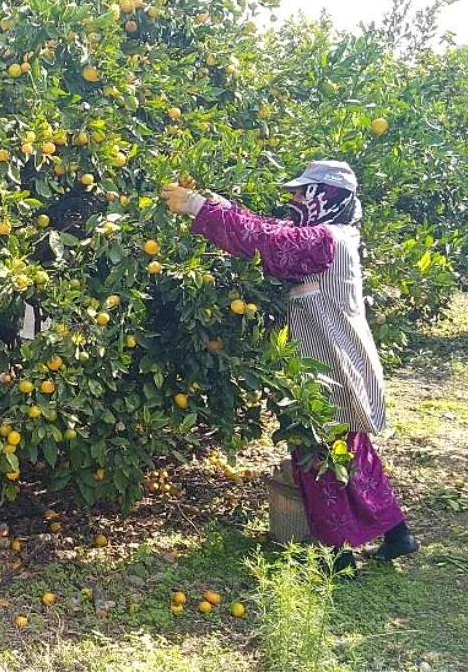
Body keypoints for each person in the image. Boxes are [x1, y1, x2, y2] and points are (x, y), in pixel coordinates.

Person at [162, 160, 419, 570]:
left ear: (327, 197)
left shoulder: (325, 241)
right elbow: (274, 231)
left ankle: (337, 556)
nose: (296, 200)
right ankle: (397, 533)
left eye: (304, 193)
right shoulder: (332, 235)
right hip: (337, 361)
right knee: (351, 451)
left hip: (329, 367)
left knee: (316, 454)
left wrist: (198, 207)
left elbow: (269, 242)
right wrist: (222, 207)